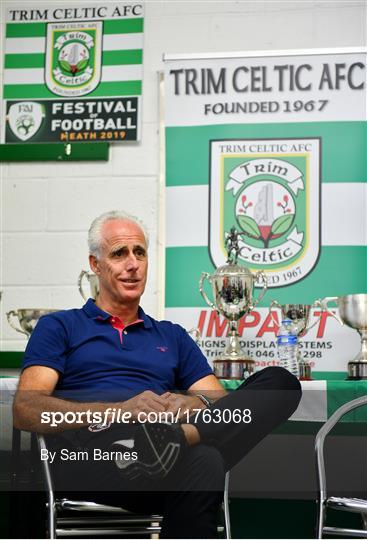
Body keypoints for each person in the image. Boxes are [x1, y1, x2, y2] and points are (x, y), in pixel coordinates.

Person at [13, 210, 302, 538]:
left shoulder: (171, 335)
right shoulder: (60, 326)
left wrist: (190, 406)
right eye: (119, 253)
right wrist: (122, 410)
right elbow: (25, 410)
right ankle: (172, 444)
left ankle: (176, 440)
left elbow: (223, 406)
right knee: (205, 461)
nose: (132, 264)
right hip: (92, 456)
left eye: (140, 253)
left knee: (281, 383)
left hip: (166, 455)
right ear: (95, 264)